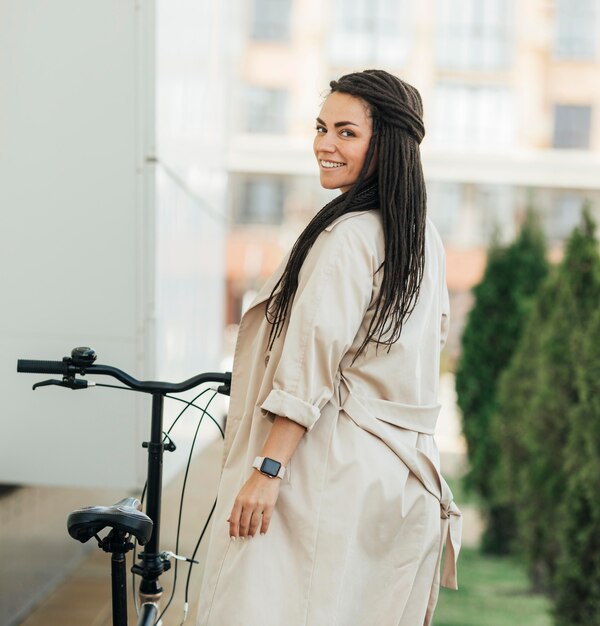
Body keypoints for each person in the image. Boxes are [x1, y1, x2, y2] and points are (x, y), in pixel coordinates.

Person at [196, 69, 461, 626]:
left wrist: (267, 472)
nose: (324, 145)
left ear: (385, 142)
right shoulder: (425, 240)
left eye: (346, 132)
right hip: (401, 480)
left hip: (328, 471)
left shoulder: (348, 236)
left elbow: (310, 364)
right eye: (321, 128)